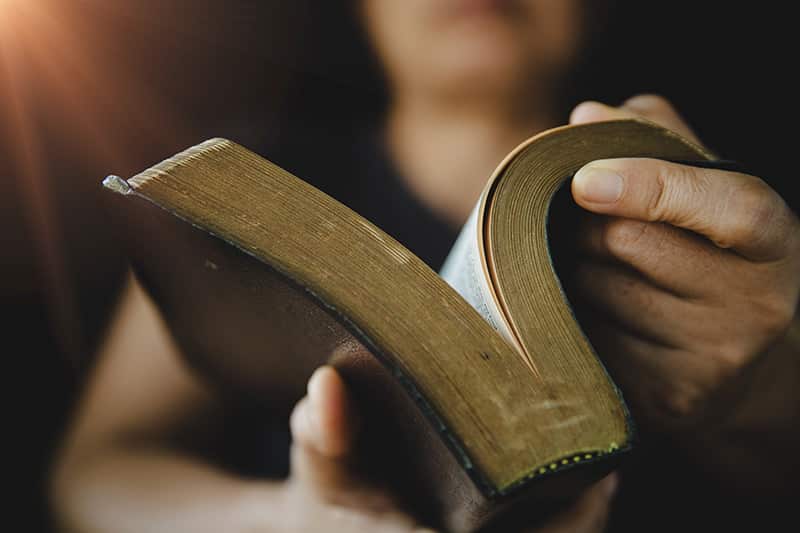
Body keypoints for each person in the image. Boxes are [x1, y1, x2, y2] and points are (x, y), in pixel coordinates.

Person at [49, 1, 799, 532]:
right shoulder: (254, 186)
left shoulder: (719, 219)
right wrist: (281, 522)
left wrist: (759, 388)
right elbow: (94, 475)